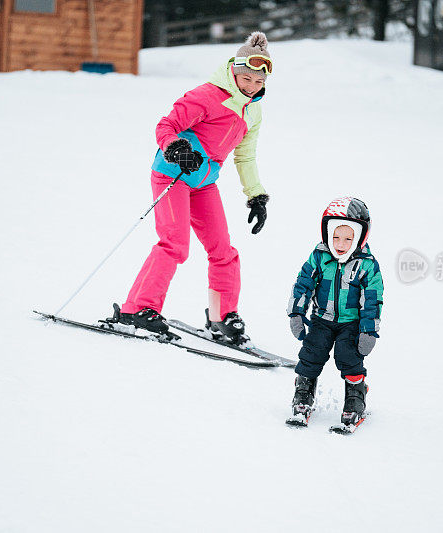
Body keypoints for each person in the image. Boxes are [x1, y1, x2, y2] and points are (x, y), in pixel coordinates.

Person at [113, 32, 273, 342]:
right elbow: (166, 126)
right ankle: (137, 308)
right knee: (175, 244)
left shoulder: (253, 110)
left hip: (204, 183)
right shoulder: (207, 95)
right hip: (173, 174)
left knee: (223, 250)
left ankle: (221, 317)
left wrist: (256, 195)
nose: (253, 86)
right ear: (235, 71)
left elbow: (245, 155)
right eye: (247, 79)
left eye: (259, 81)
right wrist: (174, 147)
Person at [286, 197, 384, 427]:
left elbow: (372, 299)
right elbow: (303, 284)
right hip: (321, 319)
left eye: (349, 238)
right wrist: (297, 314)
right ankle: (304, 392)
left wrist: (368, 330)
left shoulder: (367, 264)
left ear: (360, 238)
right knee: (311, 355)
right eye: (336, 237)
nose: (341, 243)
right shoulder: (320, 256)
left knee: (349, 357)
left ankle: (355, 395)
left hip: (352, 323)